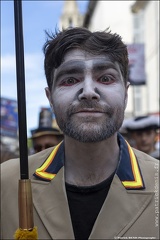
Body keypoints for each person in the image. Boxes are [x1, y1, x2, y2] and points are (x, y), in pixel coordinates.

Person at [1, 27, 159, 239]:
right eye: (70, 80)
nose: (88, 92)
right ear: (50, 98)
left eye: (105, 79)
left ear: (126, 93)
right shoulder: (5, 183)